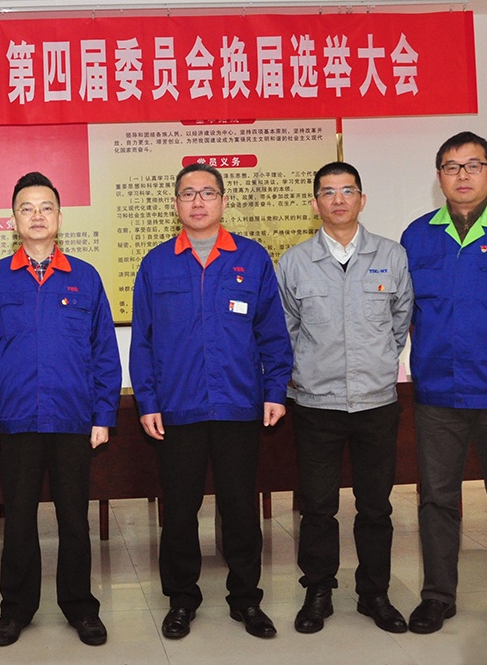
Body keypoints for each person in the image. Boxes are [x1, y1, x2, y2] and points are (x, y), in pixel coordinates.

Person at [129, 163, 292, 640]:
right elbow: (143, 342)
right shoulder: (156, 263)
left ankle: (246, 599)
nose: (198, 202)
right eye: (188, 194)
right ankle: (182, 599)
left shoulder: (252, 258)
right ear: (175, 204)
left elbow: (272, 333)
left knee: (240, 509)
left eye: (207, 193)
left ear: (223, 201)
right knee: (180, 512)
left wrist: (275, 390)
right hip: (178, 408)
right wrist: (147, 401)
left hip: (238, 405)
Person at [0, 172, 122, 647]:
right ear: (13, 219)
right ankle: (16, 609)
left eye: (46, 207)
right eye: (27, 208)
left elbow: (104, 351)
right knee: (19, 520)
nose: (37, 216)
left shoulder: (85, 277)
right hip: (15, 419)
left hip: (73, 417)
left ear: (59, 216)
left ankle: (80, 607)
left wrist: (103, 415)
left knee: (74, 520)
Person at [400, 131, 487, 645]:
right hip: (439, 391)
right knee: (437, 499)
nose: (462, 175)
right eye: (451, 166)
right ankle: (438, 595)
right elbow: (403, 311)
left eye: (473, 165)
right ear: (439, 177)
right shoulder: (417, 236)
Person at [276, 162, 414, 635]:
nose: (338, 200)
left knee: (376, 506)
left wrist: (378, 363)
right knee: (318, 506)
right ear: (315, 202)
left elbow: (400, 323)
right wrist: (305, 375)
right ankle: (318, 590)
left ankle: (375, 593)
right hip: (317, 404)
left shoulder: (391, 255)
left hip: (376, 403)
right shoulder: (294, 262)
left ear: (362, 199)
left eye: (347, 190)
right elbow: (286, 331)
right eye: (328, 192)